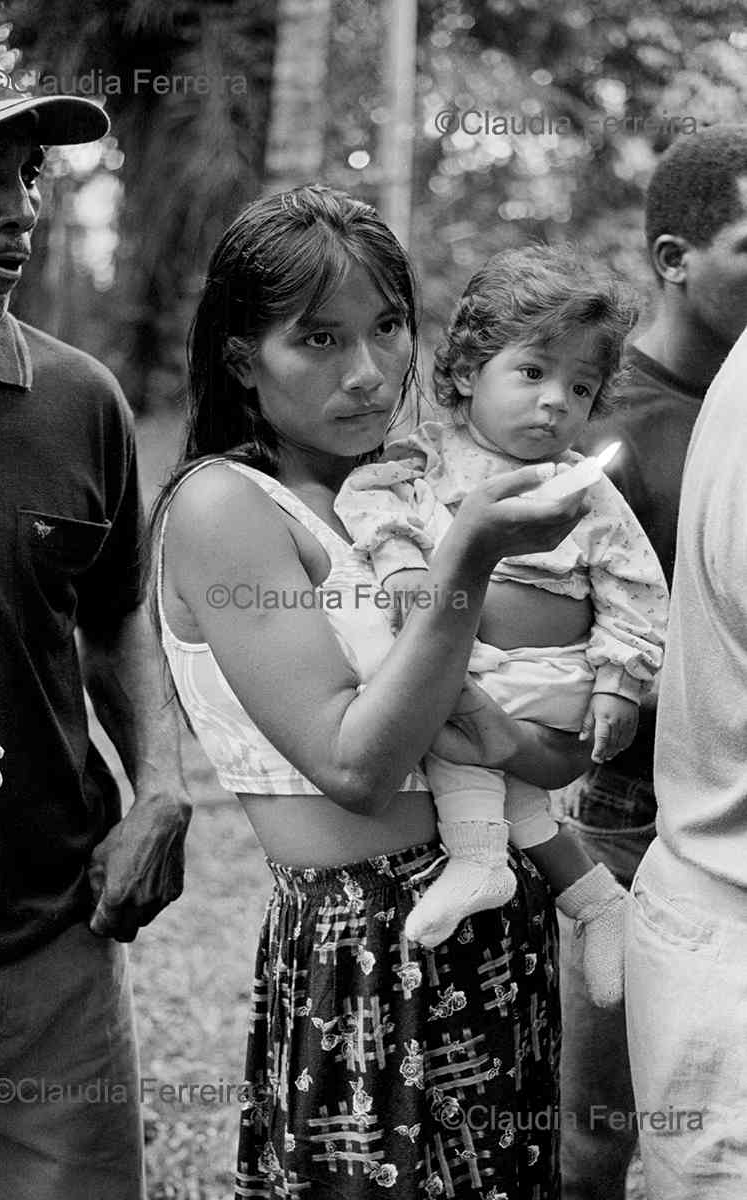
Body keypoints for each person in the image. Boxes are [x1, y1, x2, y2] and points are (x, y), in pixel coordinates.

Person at [154, 184, 598, 1198]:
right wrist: (474, 556)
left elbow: (516, 722)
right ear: (241, 360)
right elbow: (356, 764)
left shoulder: (408, 483)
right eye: (317, 340)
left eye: (388, 328)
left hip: (493, 924)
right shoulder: (229, 507)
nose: (366, 374)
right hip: (369, 951)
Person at [0, 29, 191, 1200]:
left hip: (57, 941)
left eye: (27, 176)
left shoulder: (78, 402)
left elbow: (117, 617)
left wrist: (159, 788)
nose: (19, 210)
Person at [334, 246, 667, 1010]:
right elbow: (370, 498)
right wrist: (401, 568)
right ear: (464, 374)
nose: (555, 402)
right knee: (507, 790)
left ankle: (482, 861)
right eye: (532, 373)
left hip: (552, 685)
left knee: (476, 756)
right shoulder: (429, 457)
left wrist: (619, 680)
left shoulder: (582, 487)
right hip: (466, 667)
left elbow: (634, 583)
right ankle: (594, 902)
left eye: (579, 388)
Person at [557, 123, 747, 1200]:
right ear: (675, 259)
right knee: (594, 1130)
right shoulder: (604, 432)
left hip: (717, 805)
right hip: (624, 816)